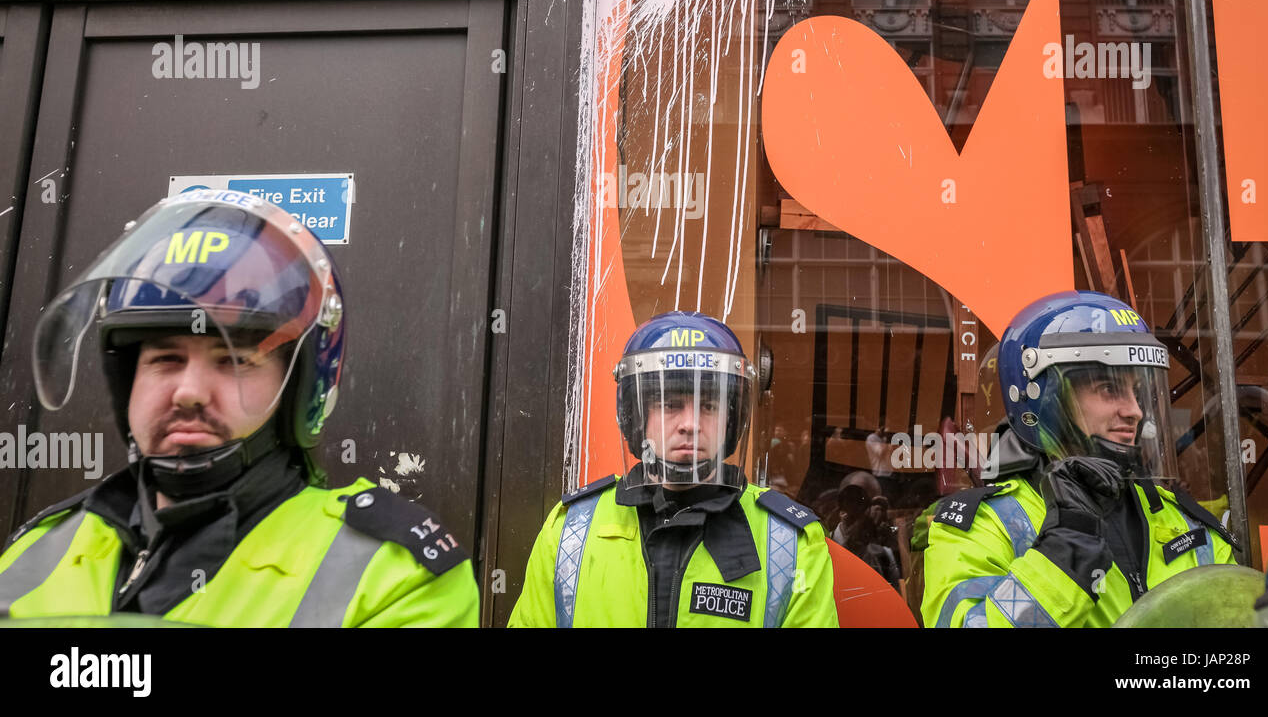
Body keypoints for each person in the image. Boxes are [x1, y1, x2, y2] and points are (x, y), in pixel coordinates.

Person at [0, 188, 479, 626]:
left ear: (299, 388)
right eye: (165, 359)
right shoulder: (36, 551)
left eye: (233, 360)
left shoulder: (391, 573)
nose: (189, 392)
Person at [919, 290, 1237, 628]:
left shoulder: (1191, 528)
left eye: (1138, 392)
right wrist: (1061, 558)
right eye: (1109, 389)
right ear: (1049, 403)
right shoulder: (987, 526)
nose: (1134, 411)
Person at [508, 311, 838, 627]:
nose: (690, 424)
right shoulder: (570, 533)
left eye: (709, 405)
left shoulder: (789, 544)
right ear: (637, 418)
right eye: (669, 404)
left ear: (732, 421)